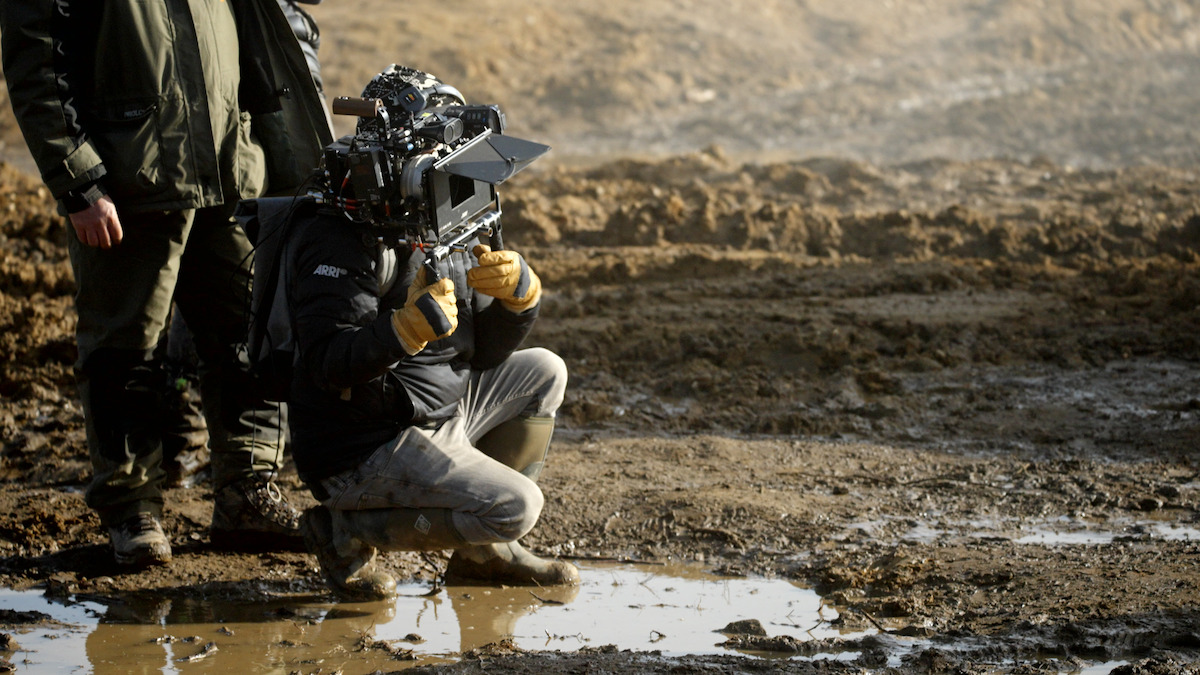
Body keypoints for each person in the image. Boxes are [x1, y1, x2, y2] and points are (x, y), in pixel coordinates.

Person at [0, 0, 333, 567]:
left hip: (231, 164)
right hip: (128, 179)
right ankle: (133, 508)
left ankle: (247, 491)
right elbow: (36, 58)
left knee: (248, 332)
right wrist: (77, 180)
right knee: (125, 347)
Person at [281, 67, 579, 600]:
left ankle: (483, 556)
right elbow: (328, 362)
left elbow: (484, 352)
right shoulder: (337, 234)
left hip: (435, 406)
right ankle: (344, 531)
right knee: (517, 507)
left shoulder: (441, 218)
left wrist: (519, 302)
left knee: (544, 371)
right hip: (363, 443)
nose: (461, 179)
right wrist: (401, 331)